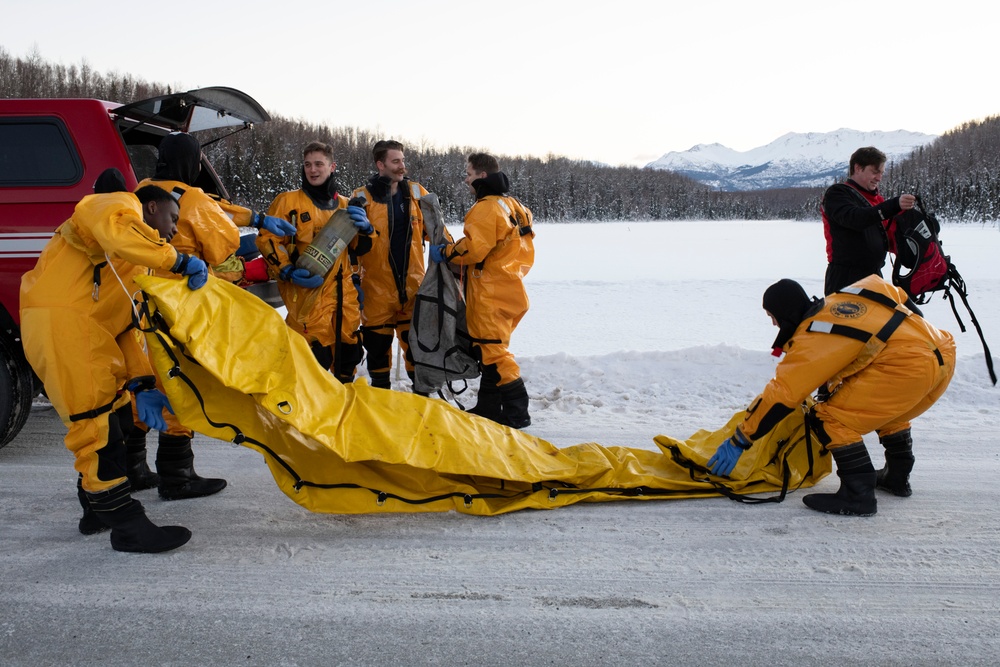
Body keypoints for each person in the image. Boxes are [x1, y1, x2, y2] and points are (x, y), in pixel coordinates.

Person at [20, 182, 209, 552]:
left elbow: (126, 327)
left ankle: (94, 512)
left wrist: (140, 382)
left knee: (121, 416)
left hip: (90, 329)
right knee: (95, 427)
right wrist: (177, 260)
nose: (174, 229)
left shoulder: (128, 265)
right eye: (172, 218)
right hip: (65, 325)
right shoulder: (114, 206)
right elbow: (117, 229)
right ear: (151, 207)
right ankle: (125, 523)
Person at [127, 132, 297, 501]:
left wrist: (256, 216)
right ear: (192, 161)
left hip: (138, 300)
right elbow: (223, 244)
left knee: (145, 382)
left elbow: (212, 204)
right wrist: (251, 235)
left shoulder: (143, 190)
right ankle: (177, 475)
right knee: (179, 382)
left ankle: (133, 468)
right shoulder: (192, 197)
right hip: (180, 306)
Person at [706, 275, 955, 517]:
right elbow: (897, 299)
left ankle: (858, 493)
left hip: (907, 370)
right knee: (886, 409)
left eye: (772, 317)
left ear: (785, 314)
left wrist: (741, 439)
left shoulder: (812, 338)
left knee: (827, 417)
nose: (773, 324)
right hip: (942, 355)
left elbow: (782, 395)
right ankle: (897, 477)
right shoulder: (850, 293)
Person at [429, 153, 535, 428]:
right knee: (490, 349)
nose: (466, 179)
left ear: (482, 176)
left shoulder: (486, 208)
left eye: (469, 173)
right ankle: (489, 407)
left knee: (494, 351)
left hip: (490, 291)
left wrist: (448, 252)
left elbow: (474, 249)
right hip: (511, 288)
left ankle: (517, 412)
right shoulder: (514, 205)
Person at [256, 141, 373, 381]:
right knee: (311, 359)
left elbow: (359, 249)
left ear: (332, 167)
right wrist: (286, 271)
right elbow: (268, 240)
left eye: (319, 164)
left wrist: (367, 229)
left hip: (344, 296)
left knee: (348, 351)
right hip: (308, 295)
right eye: (308, 164)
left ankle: (342, 405)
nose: (313, 170)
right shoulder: (288, 202)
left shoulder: (344, 205)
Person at [351, 140, 448, 391]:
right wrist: (352, 279)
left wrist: (447, 252)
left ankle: (421, 406)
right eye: (396, 161)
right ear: (380, 164)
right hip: (376, 291)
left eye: (403, 160)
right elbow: (350, 246)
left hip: (413, 289)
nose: (402, 166)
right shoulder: (362, 197)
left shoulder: (417, 192)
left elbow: (438, 231)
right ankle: (382, 405)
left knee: (418, 351)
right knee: (377, 353)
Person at [821, 146, 917, 295]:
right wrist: (893, 206)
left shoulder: (877, 201)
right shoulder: (837, 194)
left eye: (882, 173)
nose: (879, 178)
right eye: (875, 172)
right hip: (845, 279)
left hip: (874, 278)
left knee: (910, 316)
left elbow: (893, 238)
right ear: (858, 168)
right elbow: (855, 218)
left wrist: (918, 226)